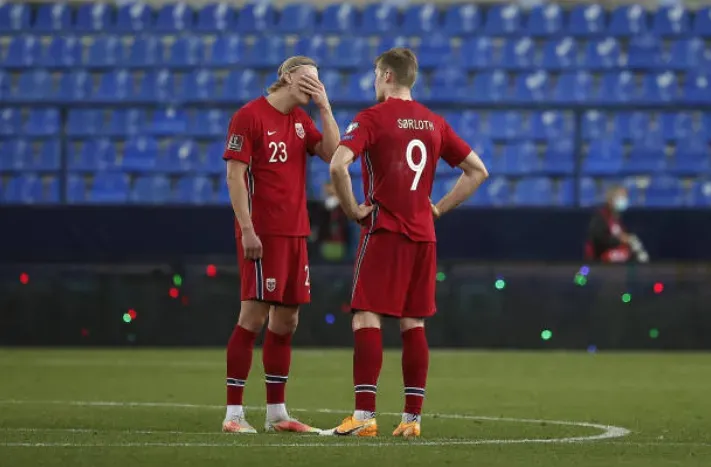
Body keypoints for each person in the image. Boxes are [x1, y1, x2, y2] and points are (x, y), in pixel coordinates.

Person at [322, 48, 489, 438]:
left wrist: (352, 210)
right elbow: (478, 171)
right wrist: (439, 209)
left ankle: (364, 417)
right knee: (413, 323)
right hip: (423, 236)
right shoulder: (434, 122)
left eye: (375, 75)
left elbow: (336, 164)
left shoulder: (371, 118)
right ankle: (411, 420)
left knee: (366, 315)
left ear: (385, 76)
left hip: (385, 231)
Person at [222, 56, 340, 434]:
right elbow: (234, 176)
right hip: (263, 234)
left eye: (319, 81)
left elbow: (334, 156)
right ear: (288, 77)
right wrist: (247, 229)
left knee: (287, 321)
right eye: (309, 79)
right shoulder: (250, 116)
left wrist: (325, 107)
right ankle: (234, 414)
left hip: (295, 233)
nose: (315, 85)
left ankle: (277, 415)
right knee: (253, 317)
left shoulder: (303, 122)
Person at [585, 186, 649, 263]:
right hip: (595, 262)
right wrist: (620, 240)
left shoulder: (617, 220)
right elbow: (598, 239)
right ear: (611, 199)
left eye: (626, 197)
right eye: (621, 197)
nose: (624, 200)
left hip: (614, 266)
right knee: (581, 274)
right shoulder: (600, 217)